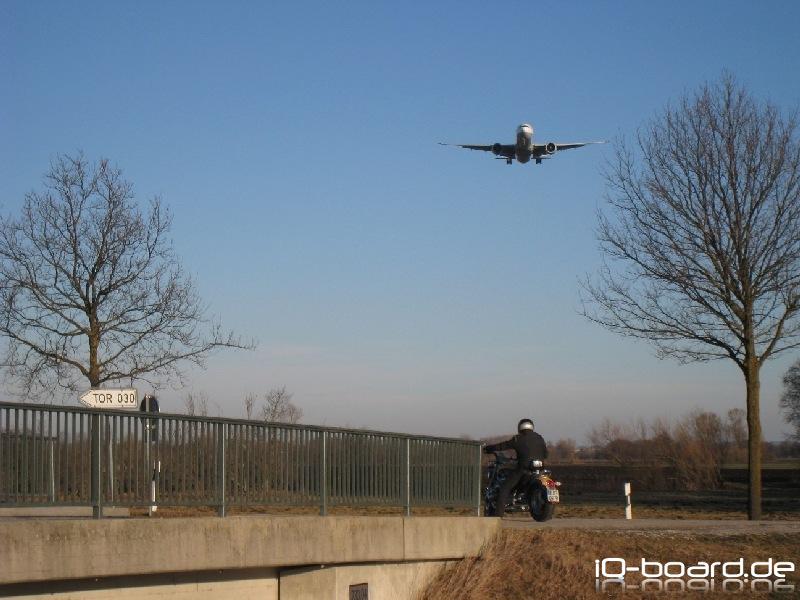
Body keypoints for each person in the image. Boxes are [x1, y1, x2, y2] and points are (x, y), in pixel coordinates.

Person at [483, 418, 548, 517]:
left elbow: (503, 446)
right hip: (539, 470)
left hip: (524, 470)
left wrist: (488, 448)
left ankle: (497, 517)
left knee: (504, 489)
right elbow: (546, 454)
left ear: (520, 427)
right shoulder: (539, 438)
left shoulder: (519, 439)